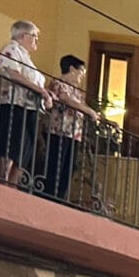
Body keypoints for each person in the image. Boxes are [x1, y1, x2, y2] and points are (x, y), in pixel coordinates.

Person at [0, 20, 52, 184]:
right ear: (24, 35)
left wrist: (45, 93)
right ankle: (2, 184)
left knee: (24, 151)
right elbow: (14, 73)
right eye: (35, 36)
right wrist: (41, 91)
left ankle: (12, 187)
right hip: (13, 105)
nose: (37, 40)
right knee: (10, 147)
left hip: (29, 109)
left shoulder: (26, 56)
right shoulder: (11, 48)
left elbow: (34, 81)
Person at [43, 55, 98, 201]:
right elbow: (65, 100)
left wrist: (99, 116)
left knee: (69, 168)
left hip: (74, 134)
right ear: (72, 69)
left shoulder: (77, 91)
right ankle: (49, 196)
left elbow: (83, 105)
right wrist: (89, 111)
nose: (82, 76)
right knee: (56, 165)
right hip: (59, 131)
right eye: (81, 72)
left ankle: (59, 197)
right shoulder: (58, 83)